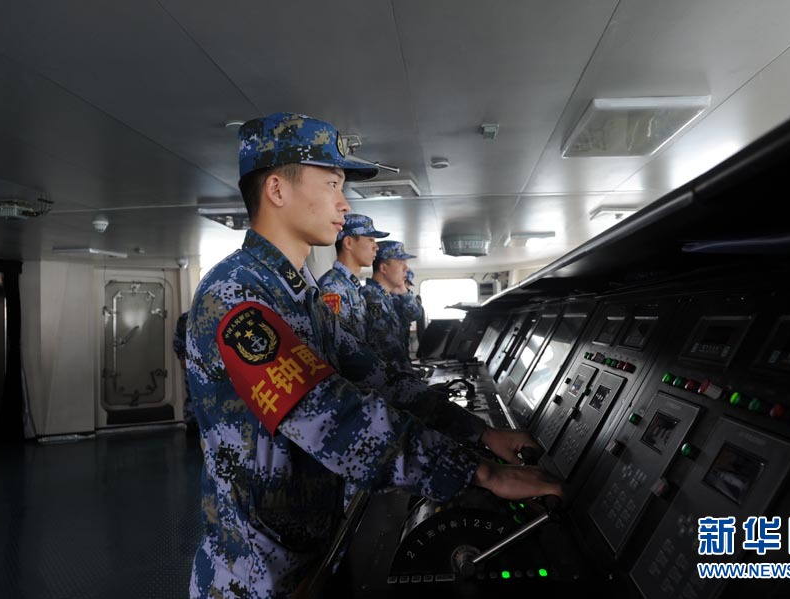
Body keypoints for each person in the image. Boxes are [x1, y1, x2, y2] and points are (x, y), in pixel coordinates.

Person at [185, 112, 562, 598]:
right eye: (333, 182)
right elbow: (332, 418)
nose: (344, 203)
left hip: (310, 551)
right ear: (277, 190)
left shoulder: (301, 297)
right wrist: (481, 473)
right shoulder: (236, 295)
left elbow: (377, 379)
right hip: (255, 576)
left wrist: (481, 433)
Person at [317, 213, 388, 341]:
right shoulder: (332, 287)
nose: (376, 247)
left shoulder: (350, 285)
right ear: (348, 243)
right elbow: (337, 345)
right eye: (370, 239)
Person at [362, 240, 417, 370]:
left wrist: (403, 290)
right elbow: (386, 350)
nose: (406, 268)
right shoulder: (371, 297)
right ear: (383, 268)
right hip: (387, 379)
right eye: (400, 263)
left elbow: (415, 315)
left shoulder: (388, 297)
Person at [172, 311, 197, 434]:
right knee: (194, 397)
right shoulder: (187, 317)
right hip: (195, 365)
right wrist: (182, 357)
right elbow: (179, 339)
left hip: (218, 367)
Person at [393, 268, 424, 352]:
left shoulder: (407, 298)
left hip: (402, 342)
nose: (407, 286)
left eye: (408, 284)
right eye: (405, 282)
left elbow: (416, 314)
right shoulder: (388, 296)